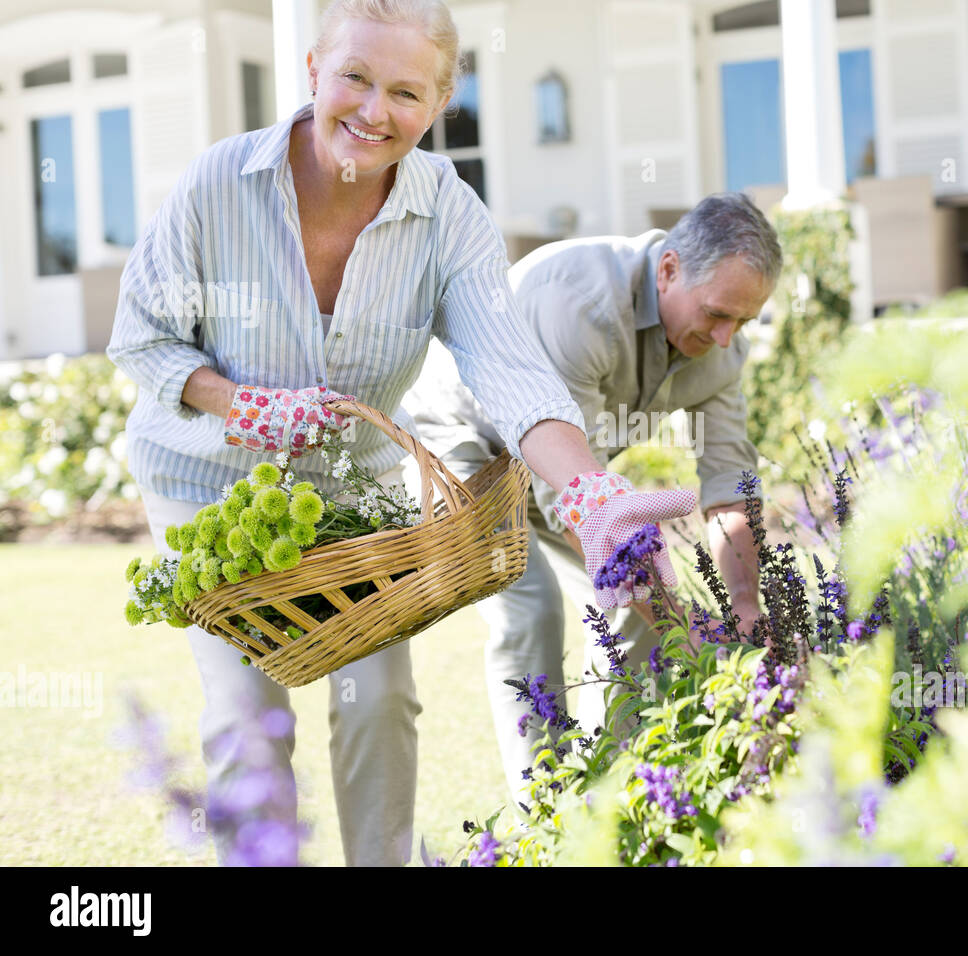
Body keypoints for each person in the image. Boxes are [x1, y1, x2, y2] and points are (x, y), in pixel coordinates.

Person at [108, 0, 692, 867]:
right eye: (355, 77)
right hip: (209, 484)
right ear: (313, 71)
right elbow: (141, 336)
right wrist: (238, 401)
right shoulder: (217, 186)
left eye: (406, 93)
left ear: (438, 105)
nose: (375, 111)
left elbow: (510, 368)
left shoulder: (448, 215)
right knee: (248, 712)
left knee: (375, 696)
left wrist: (593, 495)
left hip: (353, 492)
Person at [405, 193, 782, 804]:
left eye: (741, 322)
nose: (723, 338)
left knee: (635, 614)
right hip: (464, 439)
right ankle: (547, 810)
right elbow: (573, 494)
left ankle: (612, 798)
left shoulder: (720, 347)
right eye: (716, 315)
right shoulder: (579, 304)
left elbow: (728, 483)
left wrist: (743, 607)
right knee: (531, 609)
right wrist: (680, 622)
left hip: (575, 470)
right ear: (668, 270)